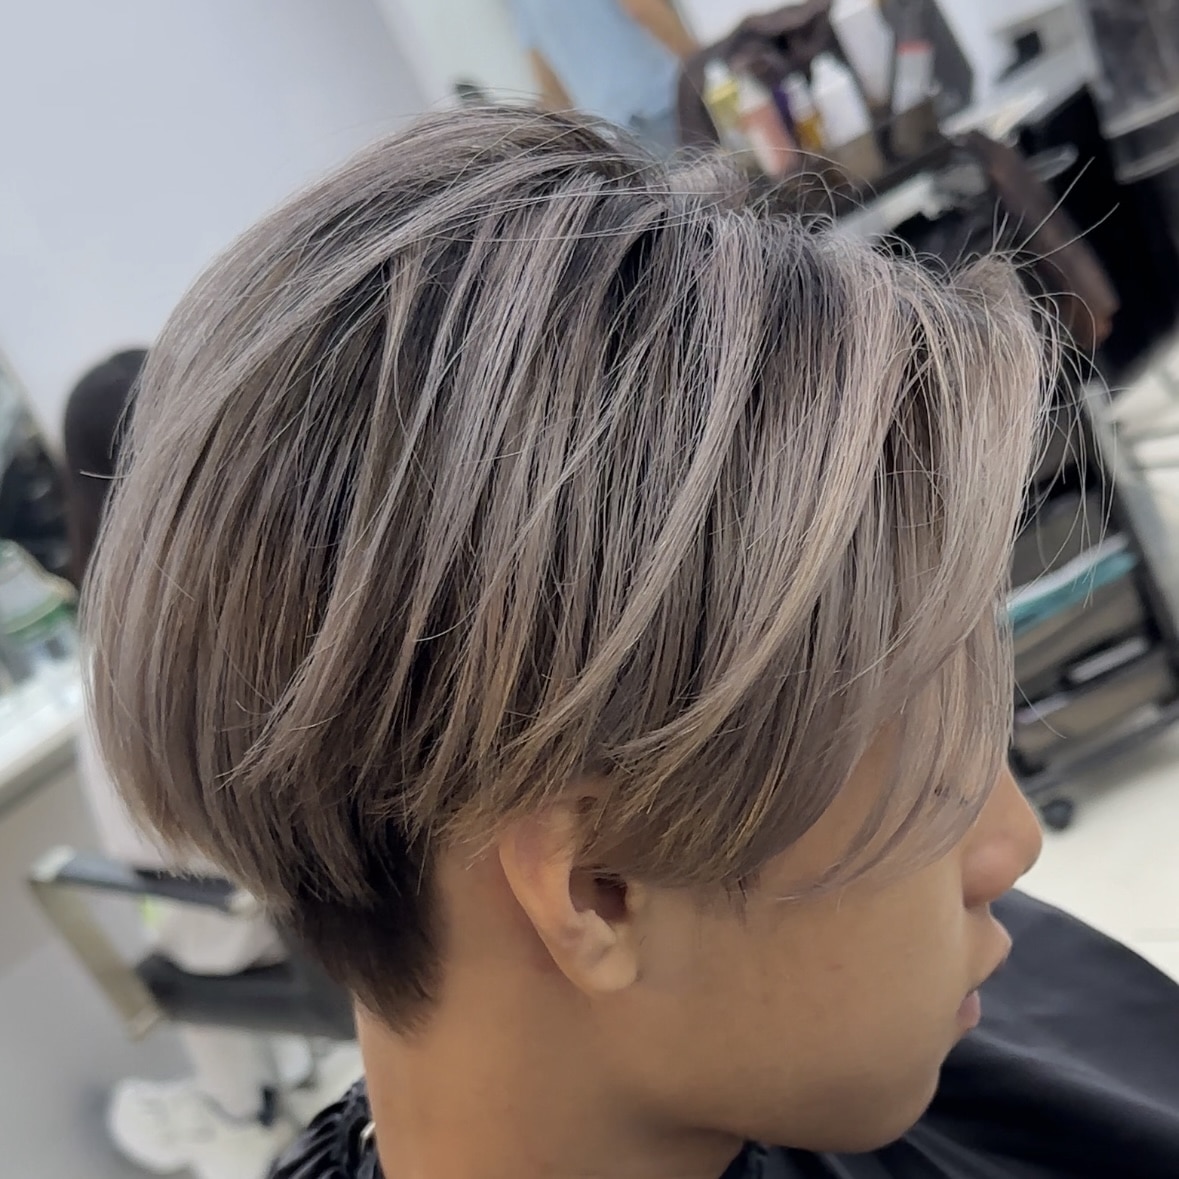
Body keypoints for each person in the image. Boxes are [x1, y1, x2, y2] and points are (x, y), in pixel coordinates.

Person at [84, 108, 1179, 1179]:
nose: (1011, 847)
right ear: (599, 888)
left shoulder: (879, 993)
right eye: (935, 787)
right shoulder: (875, 999)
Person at [63, 352, 358, 1179]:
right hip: (316, 889)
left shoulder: (123, 646)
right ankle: (254, 1098)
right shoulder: (260, 588)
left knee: (168, 900)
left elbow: (153, 836)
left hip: (250, 910)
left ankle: (235, 1112)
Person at [510, 0, 696, 151]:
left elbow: (548, 81)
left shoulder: (520, 4)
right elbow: (642, 8)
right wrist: (700, 64)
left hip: (610, 131)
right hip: (659, 104)